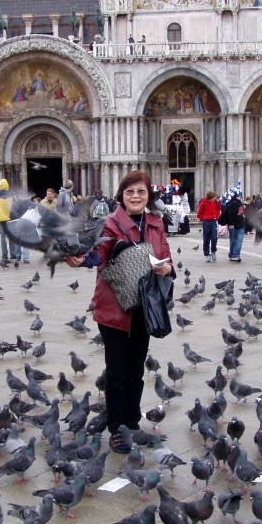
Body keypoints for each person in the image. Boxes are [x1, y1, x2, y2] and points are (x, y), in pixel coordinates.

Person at [64, 170, 174, 453]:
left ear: (148, 195)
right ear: (121, 196)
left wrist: (167, 268)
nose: (135, 196)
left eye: (140, 191)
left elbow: (167, 257)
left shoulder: (156, 222)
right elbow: (97, 253)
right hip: (113, 308)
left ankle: (133, 423)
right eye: (130, 192)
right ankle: (116, 428)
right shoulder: (110, 223)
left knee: (137, 369)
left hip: (144, 307)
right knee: (116, 371)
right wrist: (78, 258)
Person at [0, 179, 20, 260]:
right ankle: (13, 254)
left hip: (2, 219)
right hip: (11, 219)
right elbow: (16, 206)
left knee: (3, 238)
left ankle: (4, 254)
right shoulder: (12, 194)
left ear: (0, 185)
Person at [197, 190, 221, 262]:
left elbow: (218, 208)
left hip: (213, 220)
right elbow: (199, 212)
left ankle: (213, 251)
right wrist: (202, 219)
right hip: (206, 221)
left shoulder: (215, 202)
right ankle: (207, 254)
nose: (215, 199)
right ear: (210, 198)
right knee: (206, 238)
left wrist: (216, 215)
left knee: (214, 238)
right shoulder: (203, 203)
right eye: (214, 198)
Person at [223, 192, 245, 262]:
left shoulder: (239, 203)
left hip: (239, 224)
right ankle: (234, 254)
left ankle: (233, 254)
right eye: (240, 195)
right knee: (237, 240)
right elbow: (230, 214)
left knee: (235, 240)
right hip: (235, 225)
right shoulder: (234, 203)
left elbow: (240, 214)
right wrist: (231, 223)